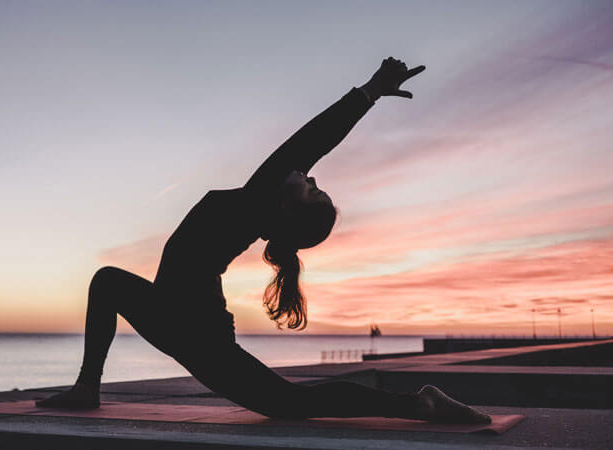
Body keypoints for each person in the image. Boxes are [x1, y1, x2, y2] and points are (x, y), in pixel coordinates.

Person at [37, 57, 491, 424]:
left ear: (289, 210)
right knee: (107, 281)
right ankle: (87, 387)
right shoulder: (257, 207)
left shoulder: (258, 202)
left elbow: (311, 140)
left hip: (195, 331)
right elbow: (307, 150)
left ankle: (418, 404)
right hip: (173, 315)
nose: (309, 176)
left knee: (290, 406)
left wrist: (369, 92)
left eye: (312, 188)